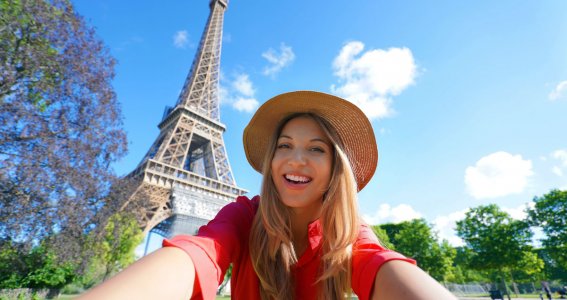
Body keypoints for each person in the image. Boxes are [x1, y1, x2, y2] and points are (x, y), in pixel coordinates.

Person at [79, 91, 457, 300]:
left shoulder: (348, 232)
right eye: (285, 145)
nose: (296, 159)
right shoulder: (243, 216)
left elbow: (381, 266)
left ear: (335, 169)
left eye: (316, 149)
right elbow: (200, 253)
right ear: (272, 158)